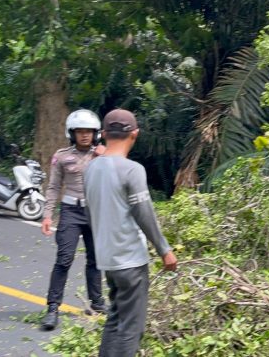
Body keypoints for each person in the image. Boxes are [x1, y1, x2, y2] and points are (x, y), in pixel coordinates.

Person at [84, 109, 177, 357]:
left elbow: (89, 213)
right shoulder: (132, 169)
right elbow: (143, 212)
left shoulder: (90, 169)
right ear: (135, 134)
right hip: (130, 260)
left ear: (103, 134)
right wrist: (164, 250)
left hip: (108, 260)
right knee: (131, 329)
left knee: (115, 318)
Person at [40, 109, 107, 331]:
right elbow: (53, 186)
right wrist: (48, 214)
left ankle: (97, 304)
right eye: (80, 131)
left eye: (88, 131)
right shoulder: (61, 156)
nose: (85, 135)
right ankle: (52, 308)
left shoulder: (104, 155)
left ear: (96, 133)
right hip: (70, 211)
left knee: (96, 260)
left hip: (95, 211)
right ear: (72, 133)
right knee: (64, 259)